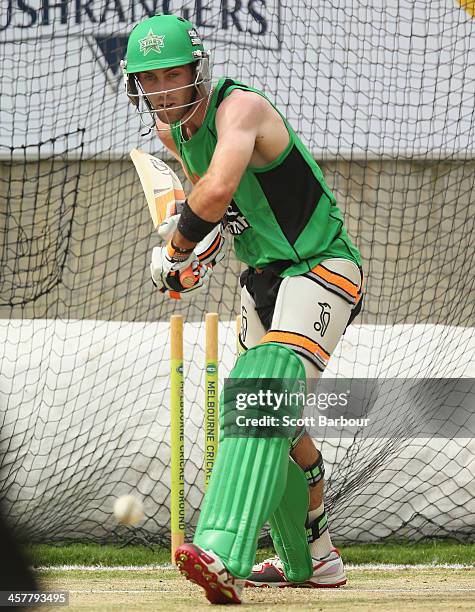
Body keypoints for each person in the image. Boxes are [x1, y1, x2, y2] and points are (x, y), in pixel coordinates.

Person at [122, 14, 364, 605]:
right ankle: (315, 556)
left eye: (171, 75)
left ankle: (223, 552)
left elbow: (215, 191)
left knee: (260, 390)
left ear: (197, 71)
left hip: (321, 265)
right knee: (274, 420)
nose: (160, 91)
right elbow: (213, 214)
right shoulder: (170, 129)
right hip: (261, 279)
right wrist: (194, 256)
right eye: (147, 81)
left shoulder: (243, 110)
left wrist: (176, 248)